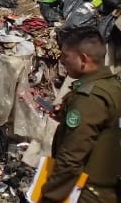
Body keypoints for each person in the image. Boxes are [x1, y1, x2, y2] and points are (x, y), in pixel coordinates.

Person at [41, 27, 121, 203]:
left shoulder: (89, 97)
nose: (61, 61)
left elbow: (71, 157)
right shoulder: (111, 86)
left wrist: (49, 196)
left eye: (66, 56)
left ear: (84, 59)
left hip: (86, 193)